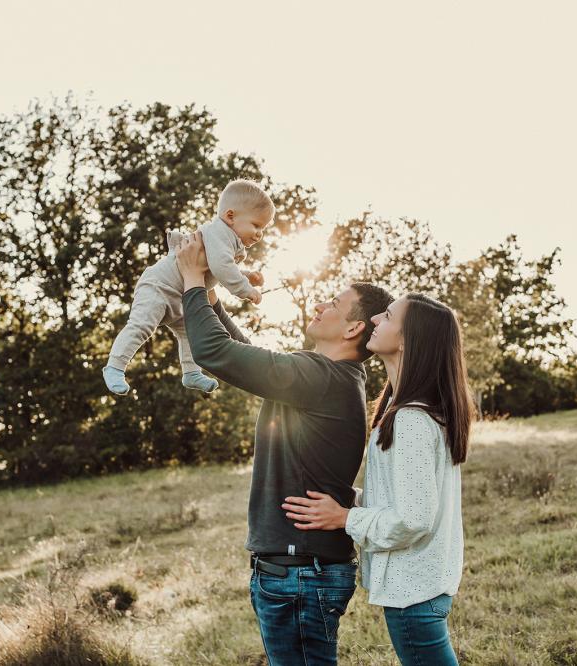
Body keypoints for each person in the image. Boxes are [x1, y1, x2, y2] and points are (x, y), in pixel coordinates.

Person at [175, 229, 394, 666]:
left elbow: (214, 352)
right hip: (298, 573)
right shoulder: (325, 378)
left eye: (333, 303)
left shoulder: (321, 378)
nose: (320, 305)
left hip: (299, 575)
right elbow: (246, 354)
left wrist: (192, 282)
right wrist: (213, 300)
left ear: (353, 327)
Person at [281, 293, 475, 666]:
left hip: (414, 594)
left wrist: (344, 518)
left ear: (406, 340)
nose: (373, 321)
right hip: (421, 588)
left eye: (386, 317)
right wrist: (348, 498)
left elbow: (413, 518)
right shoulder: (405, 410)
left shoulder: (411, 420)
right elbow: (406, 498)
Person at [102, 179, 272, 396]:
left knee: (189, 333)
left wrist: (246, 275)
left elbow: (217, 268)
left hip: (180, 295)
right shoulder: (220, 233)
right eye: (256, 225)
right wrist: (245, 289)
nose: (259, 234)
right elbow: (221, 267)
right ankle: (115, 366)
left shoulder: (227, 240)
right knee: (142, 326)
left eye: (263, 229)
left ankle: (191, 373)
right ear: (230, 216)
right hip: (160, 287)